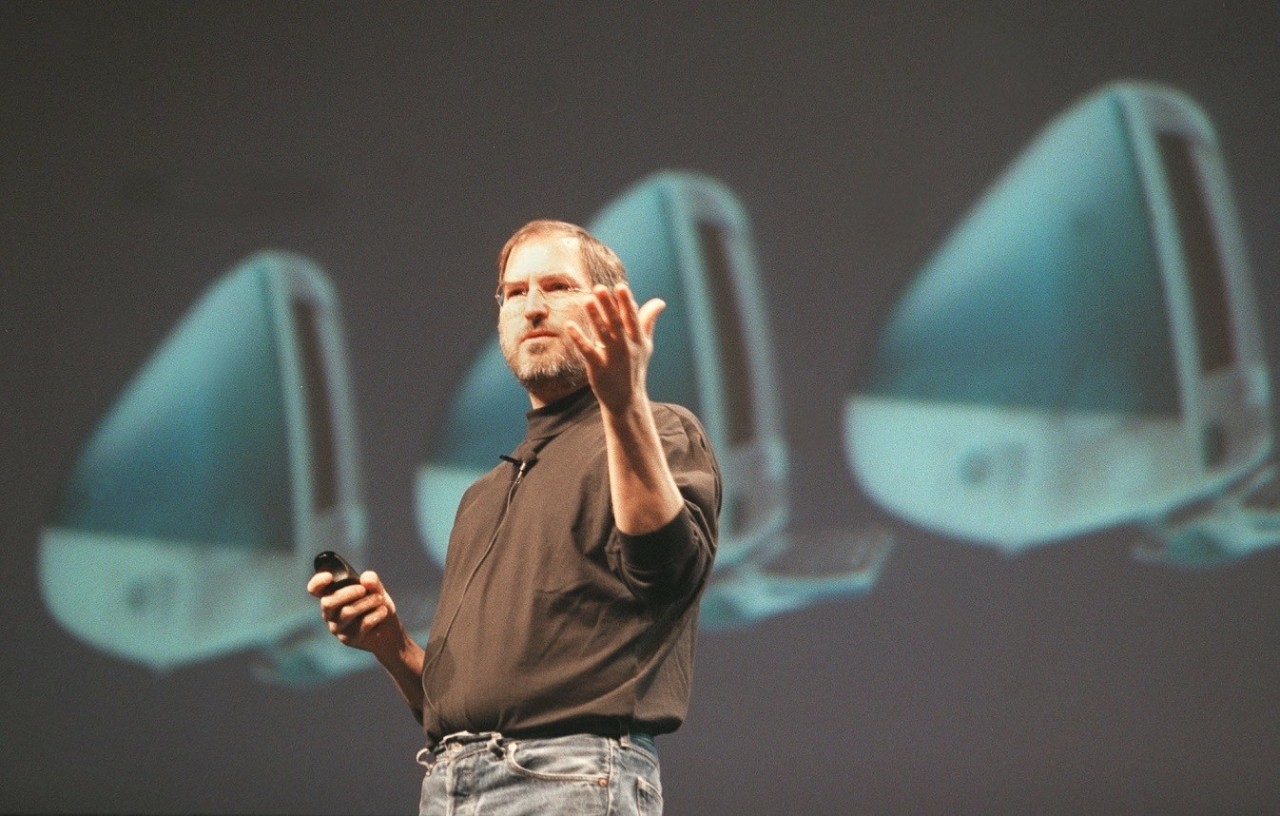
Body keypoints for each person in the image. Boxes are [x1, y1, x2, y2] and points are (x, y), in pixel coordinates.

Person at [308, 219, 721, 815]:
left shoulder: (658, 431)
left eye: (557, 287)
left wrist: (624, 402)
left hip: (571, 779)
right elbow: (453, 706)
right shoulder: (482, 497)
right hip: (451, 784)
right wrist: (391, 645)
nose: (533, 307)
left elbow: (668, 570)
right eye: (515, 292)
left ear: (611, 308)